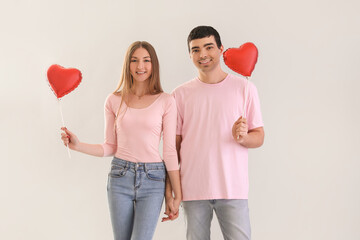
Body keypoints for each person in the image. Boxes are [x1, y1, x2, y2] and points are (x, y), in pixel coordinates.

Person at [60, 41, 182, 240]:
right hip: (120, 176)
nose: (140, 66)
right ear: (128, 65)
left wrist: (177, 195)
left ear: (154, 65)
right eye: (134, 61)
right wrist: (77, 145)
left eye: (146, 60)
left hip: (153, 179)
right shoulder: (114, 100)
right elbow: (110, 146)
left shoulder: (166, 101)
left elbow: (169, 152)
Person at [163, 26, 265, 240]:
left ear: (221, 49)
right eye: (196, 50)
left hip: (233, 188)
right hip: (192, 189)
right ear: (190, 54)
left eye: (209, 47)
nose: (203, 55)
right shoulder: (179, 95)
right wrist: (170, 191)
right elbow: (173, 148)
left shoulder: (244, 88)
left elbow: (259, 137)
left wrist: (244, 137)